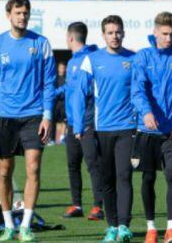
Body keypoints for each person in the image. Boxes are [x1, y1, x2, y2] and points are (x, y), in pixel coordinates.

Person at [0, 0, 56, 243]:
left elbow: (49, 82)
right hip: (4, 116)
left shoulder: (41, 43)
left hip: (33, 115)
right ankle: (9, 225)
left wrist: (48, 116)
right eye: (18, 13)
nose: (22, 17)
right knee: (4, 172)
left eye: (25, 13)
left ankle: (26, 226)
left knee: (33, 168)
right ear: (8, 15)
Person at [70, 15, 136, 243]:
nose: (114, 36)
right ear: (103, 35)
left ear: (124, 33)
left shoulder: (134, 59)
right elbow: (79, 94)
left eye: (118, 32)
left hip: (127, 129)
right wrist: (78, 124)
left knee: (124, 176)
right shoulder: (92, 60)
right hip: (102, 129)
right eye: (110, 32)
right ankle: (111, 226)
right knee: (107, 180)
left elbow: (141, 92)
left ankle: (124, 226)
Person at [130, 12, 172, 243]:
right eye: (165, 34)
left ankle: (171, 229)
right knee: (148, 178)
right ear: (155, 32)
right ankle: (150, 228)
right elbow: (137, 90)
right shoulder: (142, 57)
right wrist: (146, 112)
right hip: (146, 130)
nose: (168, 38)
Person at [60, 22, 104, 221]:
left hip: (87, 121)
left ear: (70, 38)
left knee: (93, 164)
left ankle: (98, 206)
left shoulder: (90, 59)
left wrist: (82, 122)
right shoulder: (72, 62)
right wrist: (52, 93)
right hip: (71, 121)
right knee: (72, 164)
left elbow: (85, 93)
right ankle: (76, 204)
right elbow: (70, 89)